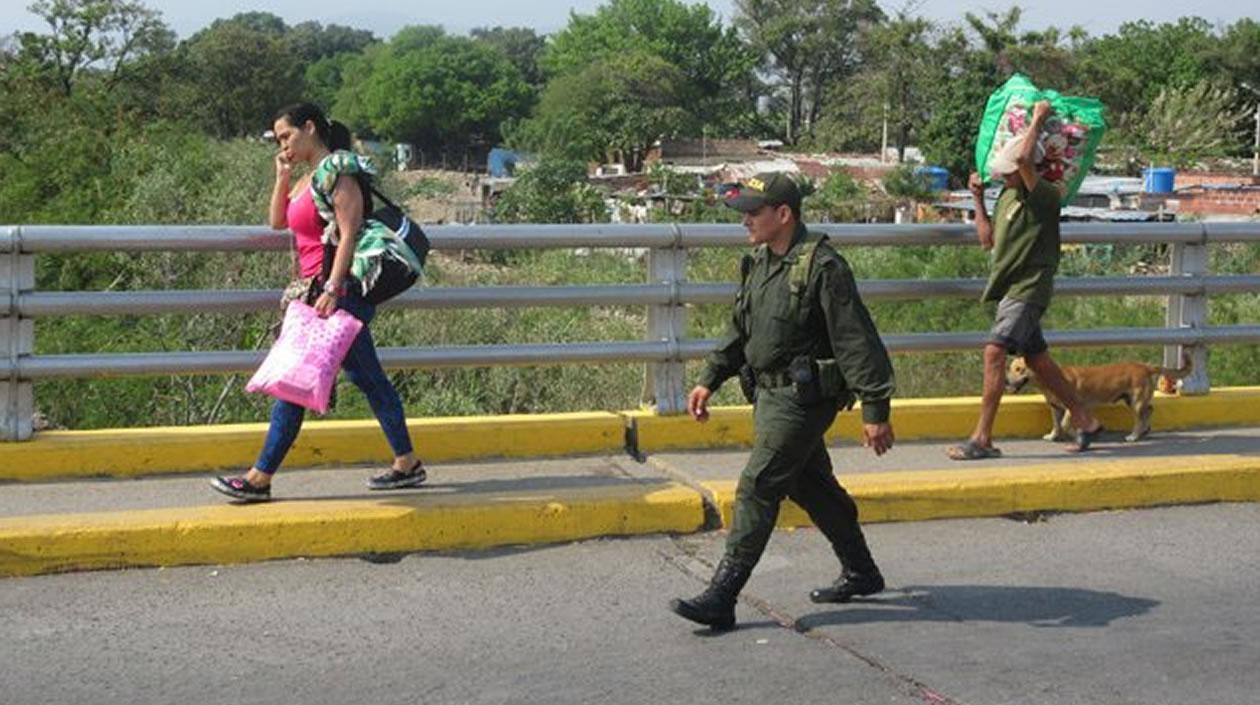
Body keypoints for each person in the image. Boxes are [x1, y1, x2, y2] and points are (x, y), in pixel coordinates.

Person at [669, 172, 897, 631]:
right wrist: (710, 378)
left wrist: (876, 410)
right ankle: (862, 570)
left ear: (784, 214)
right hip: (768, 396)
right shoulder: (758, 262)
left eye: (754, 212)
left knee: (759, 485)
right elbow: (740, 330)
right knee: (810, 485)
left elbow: (856, 341)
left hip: (803, 399)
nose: (746, 221)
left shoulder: (823, 267)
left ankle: (723, 595)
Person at [211, 102, 425, 502]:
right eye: (278, 140)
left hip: (336, 295)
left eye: (287, 136)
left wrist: (332, 287)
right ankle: (407, 462)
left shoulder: (339, 169)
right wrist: (282, 174)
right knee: (367, 380)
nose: (283, 145)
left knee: (296, 382)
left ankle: (260, 478)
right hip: (314, 293)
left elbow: (349, 232)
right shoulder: (307, 179)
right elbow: (278, 222)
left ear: (310, 128)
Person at [947, 100, 1104, 461]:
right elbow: (988, 240)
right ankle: (1085, 419)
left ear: (1027, 168)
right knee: (1038, 360)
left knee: (994, 352)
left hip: (1029, 287)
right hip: (1010, 286)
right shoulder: (1005, 196)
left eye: (1010, 169)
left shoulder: (1045, 197)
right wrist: (978, 200)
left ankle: (982, 438)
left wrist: (1037, 119)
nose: (1003, 174)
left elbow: (1022, 160)